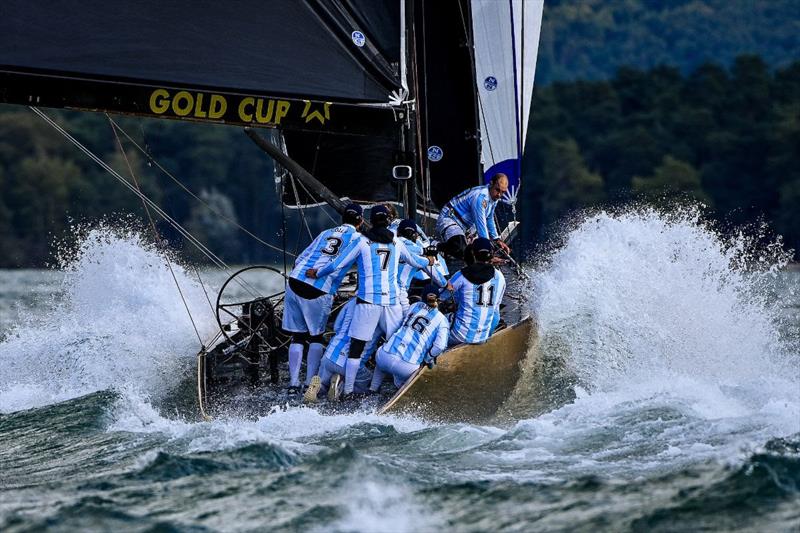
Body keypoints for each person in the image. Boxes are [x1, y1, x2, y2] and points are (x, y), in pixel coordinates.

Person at [307, 205, 435, 397]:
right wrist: (430, 261)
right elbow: (416, 262)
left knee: (356, 348)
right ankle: (396, 385)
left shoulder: (362, 241)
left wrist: (317, 272)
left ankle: (348, 390)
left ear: (371, 221)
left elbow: (337, 264)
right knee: (394, 344)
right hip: (392, 303)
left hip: (367, 302)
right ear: (387, 222)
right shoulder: (397, 243)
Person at [282, 203, 363, 394]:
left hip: (294, 281)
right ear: (360, 221)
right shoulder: (358, 239)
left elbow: (301, 257)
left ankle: (293, 384)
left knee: (298, 336)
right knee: (316, 336)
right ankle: (310, 382)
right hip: (318, 287)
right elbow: (339, 263)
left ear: (343, 218)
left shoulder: (326, 232)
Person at [369, 284, 449, 391]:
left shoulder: (414, 306)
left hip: (384, 357)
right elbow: (440, 346)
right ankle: (398, 390)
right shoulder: (442, 320)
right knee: (403, 382)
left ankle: (372, 389)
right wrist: (427, 359)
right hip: (407, 367)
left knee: (382, 359)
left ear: (422, 297)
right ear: (438, 300)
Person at [304, 298, 379, 402]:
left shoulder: (351, 302)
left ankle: (319, 388)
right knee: (369, 383)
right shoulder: (381, 307)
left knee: (322, 380)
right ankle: (340, 386)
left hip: (330, 355)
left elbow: (336, 326)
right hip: (350, 364)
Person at [435, 173, 511, 261]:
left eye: (503, 192)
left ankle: (448, 250)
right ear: (491, 184)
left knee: (470, 252)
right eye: (497, 190)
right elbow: (480, 224)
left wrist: (497, 239)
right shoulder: (480, 197)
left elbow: (489, 218)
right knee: (461, 248)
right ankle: (435, 245)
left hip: (464, 226)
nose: (499, 195)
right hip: (450, 218)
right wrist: (486, 251)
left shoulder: (494, 197)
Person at [445, 237, 506, 345]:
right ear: (491, 254)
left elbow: (443, 295)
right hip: (483, 337)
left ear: (473, 253)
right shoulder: (500, 277)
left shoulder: (461, 274)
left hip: (459, 336)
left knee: (441, 319)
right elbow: (495, 315)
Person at [396, 219, 449, 314]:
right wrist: (446, 284)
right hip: (399, 293)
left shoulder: (391, 244)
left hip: (378, 291)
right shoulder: (420, 251)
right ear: (414, 234)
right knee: (405, 323)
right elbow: (435, 274)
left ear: (398, 232)